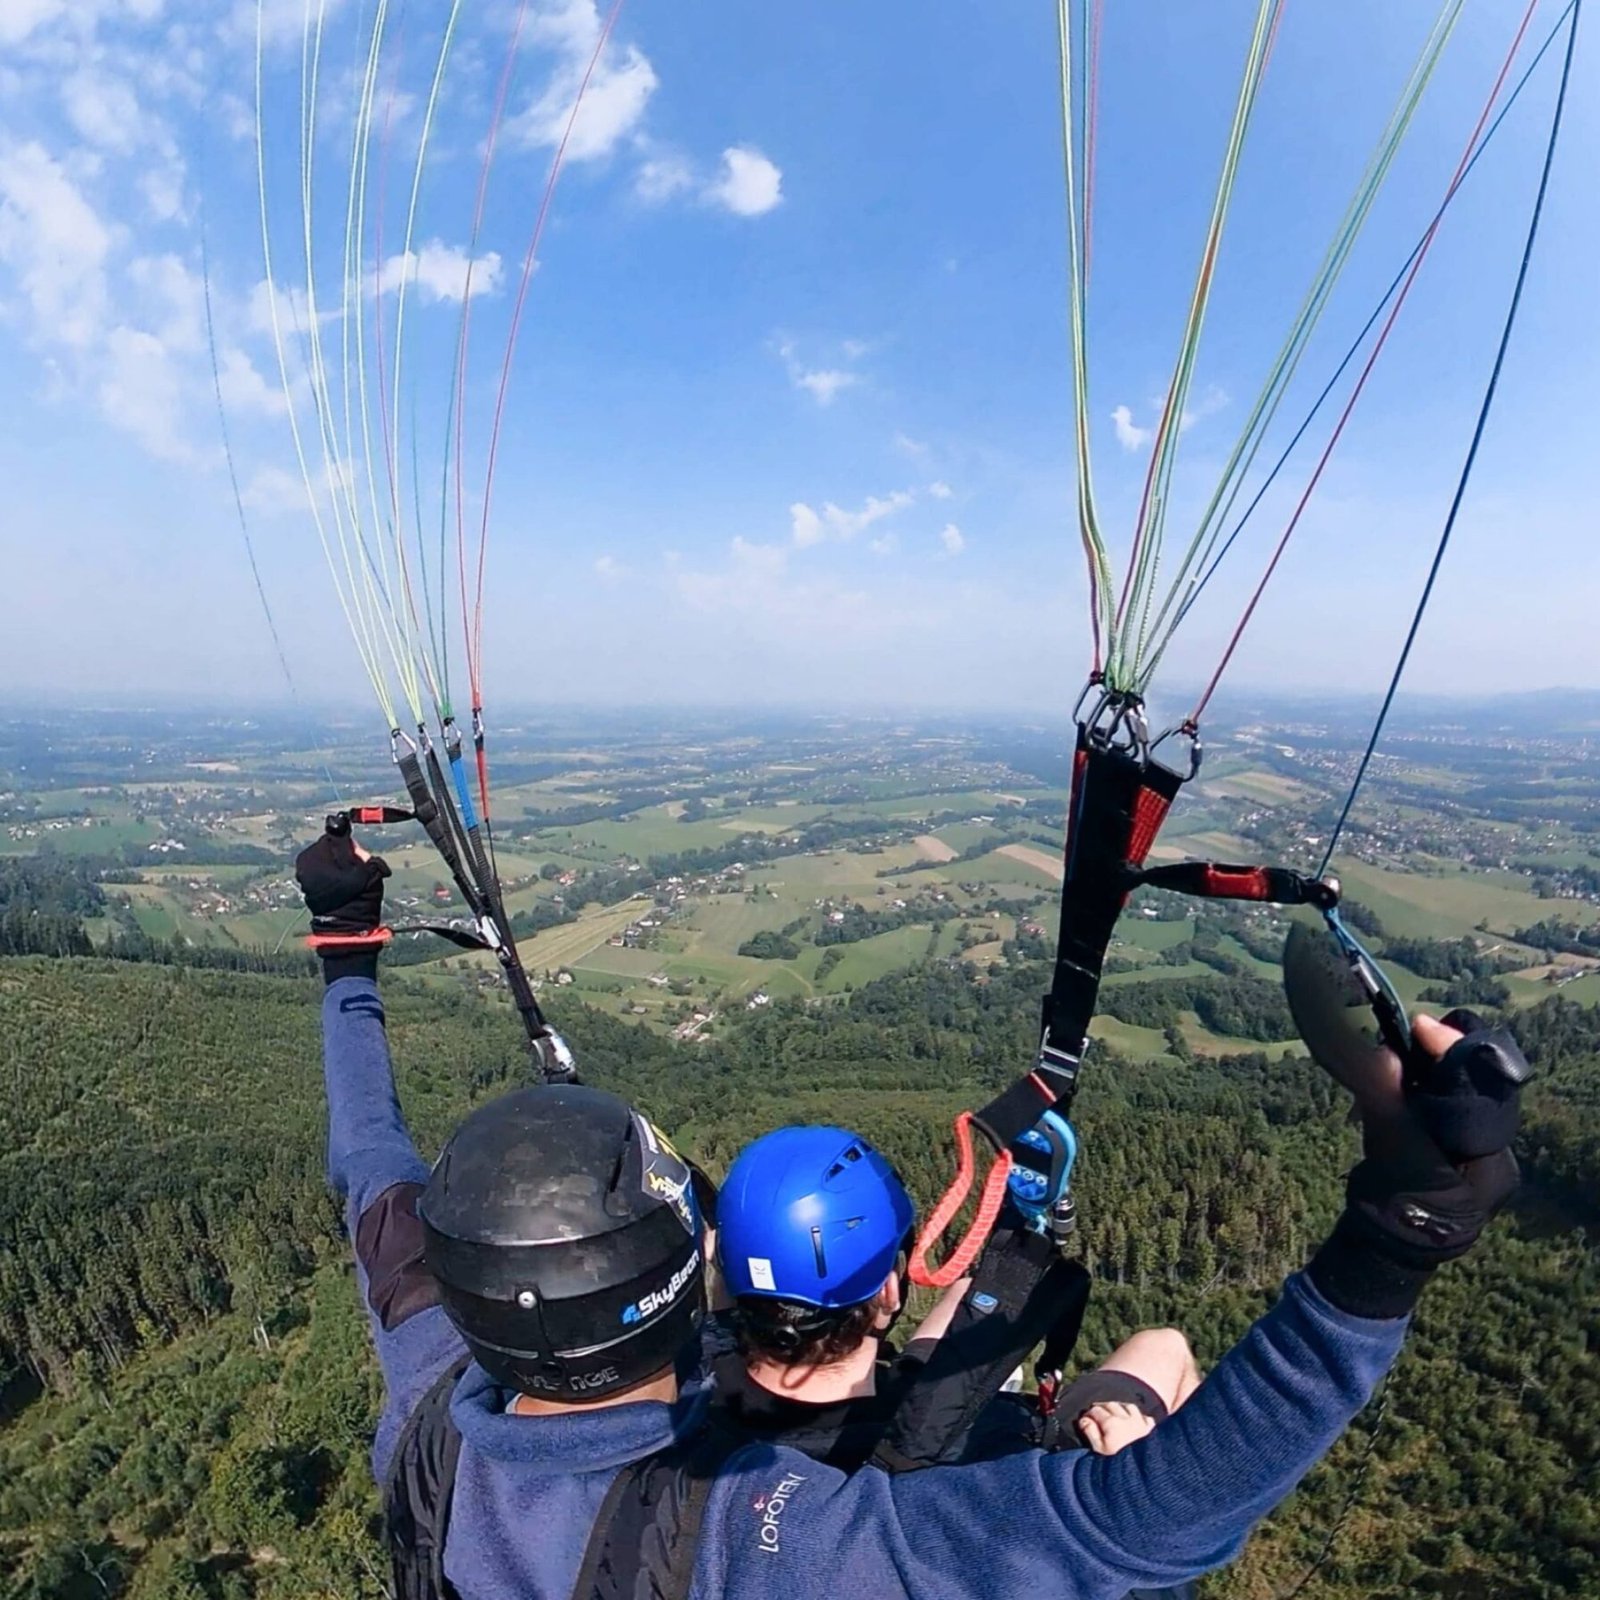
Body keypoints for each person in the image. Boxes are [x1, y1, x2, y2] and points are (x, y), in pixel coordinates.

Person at [297, 826, 1529, 1600]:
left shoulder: (435, 1394)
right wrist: (1391, 1239)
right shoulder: (759, 1541)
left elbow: (370, 1165)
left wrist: (345, 954)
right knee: (1149, 1367)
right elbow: (1140, 1526)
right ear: (693, 1271)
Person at [712, 1123, 1200, 1469]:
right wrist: (1143, 1471)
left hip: (881, 1407)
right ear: (888, 1292)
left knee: (967, 1292)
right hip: (953, 1432)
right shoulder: (975, 1461)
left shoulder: (694, 1385)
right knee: (1167, 1347)